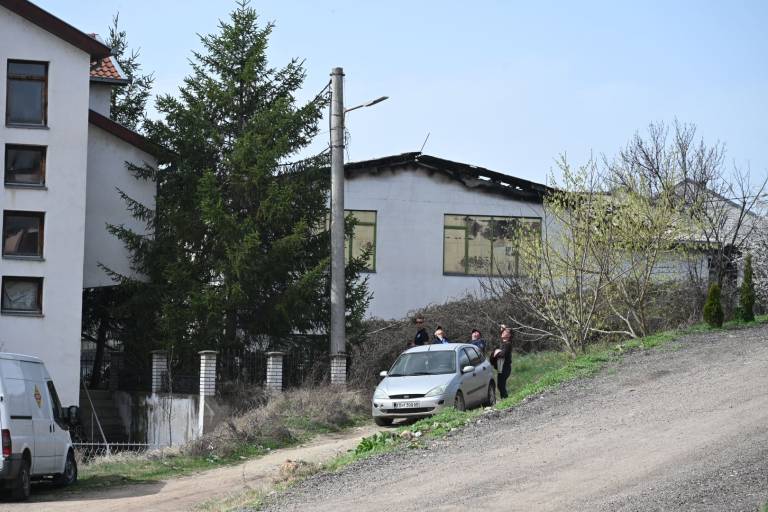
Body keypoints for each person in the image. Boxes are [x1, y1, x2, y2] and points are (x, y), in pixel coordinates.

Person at [491, 327, 513, 399]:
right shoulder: (500, 344)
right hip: (500, 367)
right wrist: (496, 353)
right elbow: (492, 356)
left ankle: (506, 400)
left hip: (505, 367)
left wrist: (497, 353)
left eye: (506, 332)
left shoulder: (508, 344)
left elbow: (502, 355)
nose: (503, 332)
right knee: (500, 385)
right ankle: (505, 399)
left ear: (509, 335)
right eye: (503, 332)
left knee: (501, 385)